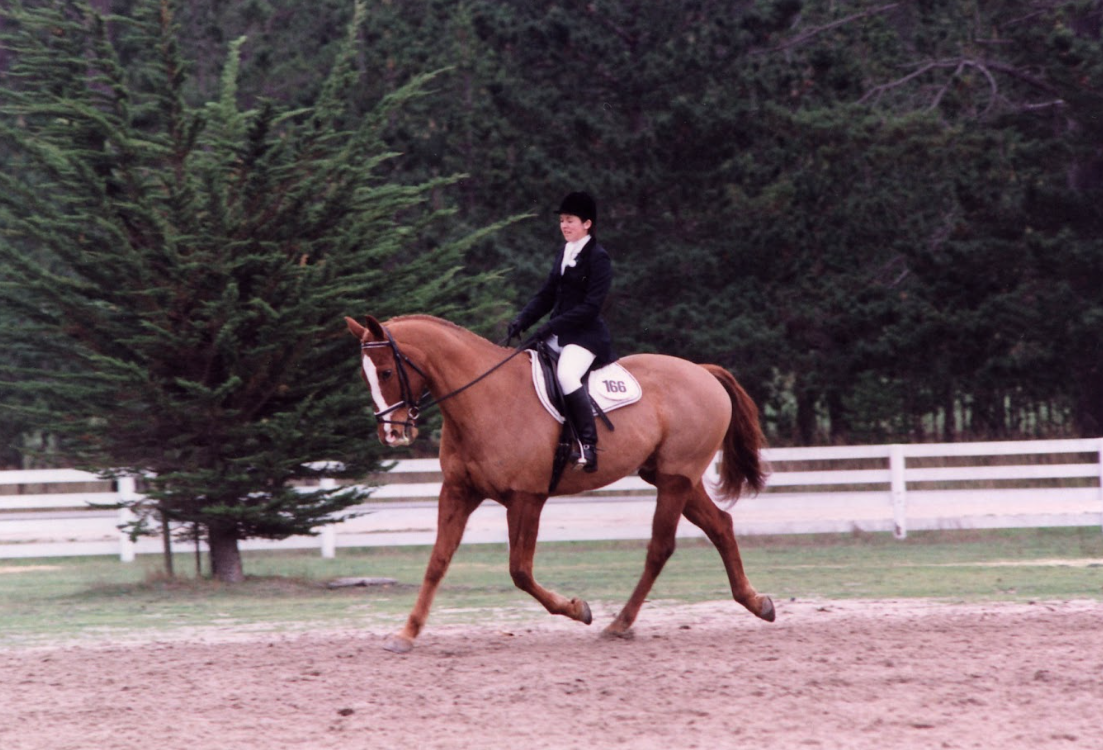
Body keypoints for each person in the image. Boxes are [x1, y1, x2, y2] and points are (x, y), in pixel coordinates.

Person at [507, 191, 614, 473]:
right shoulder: (565, 252)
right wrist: (523, 320)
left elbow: (591, 307)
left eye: (570, 221)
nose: (564, 226)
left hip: (585, 336)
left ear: (587, 224)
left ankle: (588, 445)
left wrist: (551, 326)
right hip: (558, 332)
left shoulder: (598, 258)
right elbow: (547, 294)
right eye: (562, 221)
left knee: (566, 375)